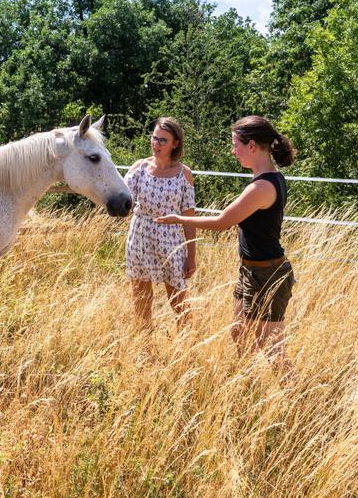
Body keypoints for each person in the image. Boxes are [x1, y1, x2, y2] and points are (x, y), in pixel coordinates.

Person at [155, 116, 296, 368]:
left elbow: (223, 222)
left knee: (272, 348)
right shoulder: (269, 179)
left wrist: (179, 218)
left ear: (252, 145)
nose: (233, 151)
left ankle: (296, 400)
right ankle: (248, 391)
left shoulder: (262, 187)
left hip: (268, 273)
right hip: (252, 270)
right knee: (240, 335)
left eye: (236, 145)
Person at [124, 117, 196, 328]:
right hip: (140, 236)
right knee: (141, 297)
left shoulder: (184, 174)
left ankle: (186, 347)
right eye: (154, 138)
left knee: (178, 299)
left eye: (163, 140)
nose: (156, 144)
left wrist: (191, 255)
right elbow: (122, 199)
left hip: (171, 241)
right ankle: (144, 347)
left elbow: (189, 218)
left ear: (175, 143)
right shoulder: (139, 168)